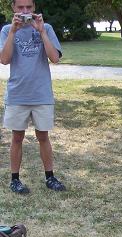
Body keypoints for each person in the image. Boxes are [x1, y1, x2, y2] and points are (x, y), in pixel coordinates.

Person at [0, 0, 65, 194]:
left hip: (41, 93)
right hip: (18, 94)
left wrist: (42, 32)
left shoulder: (46, 27)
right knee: (17, 137)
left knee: (43, 136)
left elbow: (55, 58)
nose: (25, 11)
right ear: (13, 8)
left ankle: (50, 177)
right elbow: (4, 60)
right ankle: (15, 179)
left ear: (34, 7)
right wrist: (13, 32)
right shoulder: (6, 30)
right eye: (20, 8)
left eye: (28, 7)